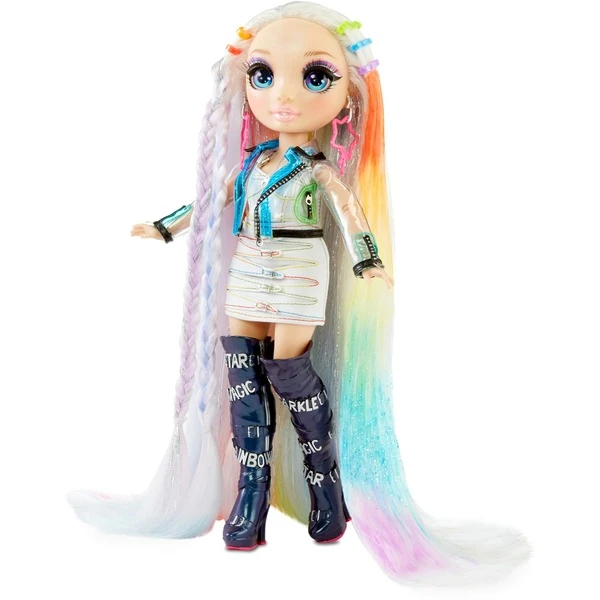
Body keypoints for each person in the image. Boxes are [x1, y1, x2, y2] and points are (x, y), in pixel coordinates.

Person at [68, 1, 532, 585]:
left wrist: (368, 261)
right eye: (263, 75)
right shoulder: (251, 164)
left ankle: (324, 485)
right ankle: (251, 494)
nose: (283, 94)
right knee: (242, 370)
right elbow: (210, 202)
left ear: (348, 97)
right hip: (250, 266)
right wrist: (165, 227)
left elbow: (350, 213)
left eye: (314, 77)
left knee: (289, 369)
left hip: (300, 268)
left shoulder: (319, 171)